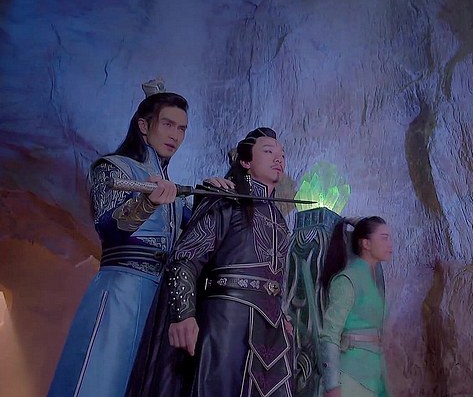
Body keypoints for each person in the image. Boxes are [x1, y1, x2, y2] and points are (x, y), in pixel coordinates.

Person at [49, 80, 194, 397]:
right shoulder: (112, 167)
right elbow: (108, 226)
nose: (175, 135)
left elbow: (199, 232)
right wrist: (147, 203)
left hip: (160, 300)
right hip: (121, 291)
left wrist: (220, 188)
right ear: (144, 125)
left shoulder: (176, 192)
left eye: (182, 128)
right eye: (167, 124)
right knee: (103, 377)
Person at [166, 127, 296, 397]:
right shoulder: (226, 200)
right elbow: (185, 258)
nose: (279, 159)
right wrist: (183, 314)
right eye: (268, 151)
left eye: (282, 155)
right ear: (245, 161)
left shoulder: (280, 221)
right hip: (227, 321)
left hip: (272, 330)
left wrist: (281, 314)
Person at [319, 216, 392, 397]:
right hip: (351, 376)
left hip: (374, 376)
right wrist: (332, 384)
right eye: (384, 238)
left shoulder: (373, 282)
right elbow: (330, 333)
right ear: (366, 244)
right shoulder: (347, 280)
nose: (390, 244)